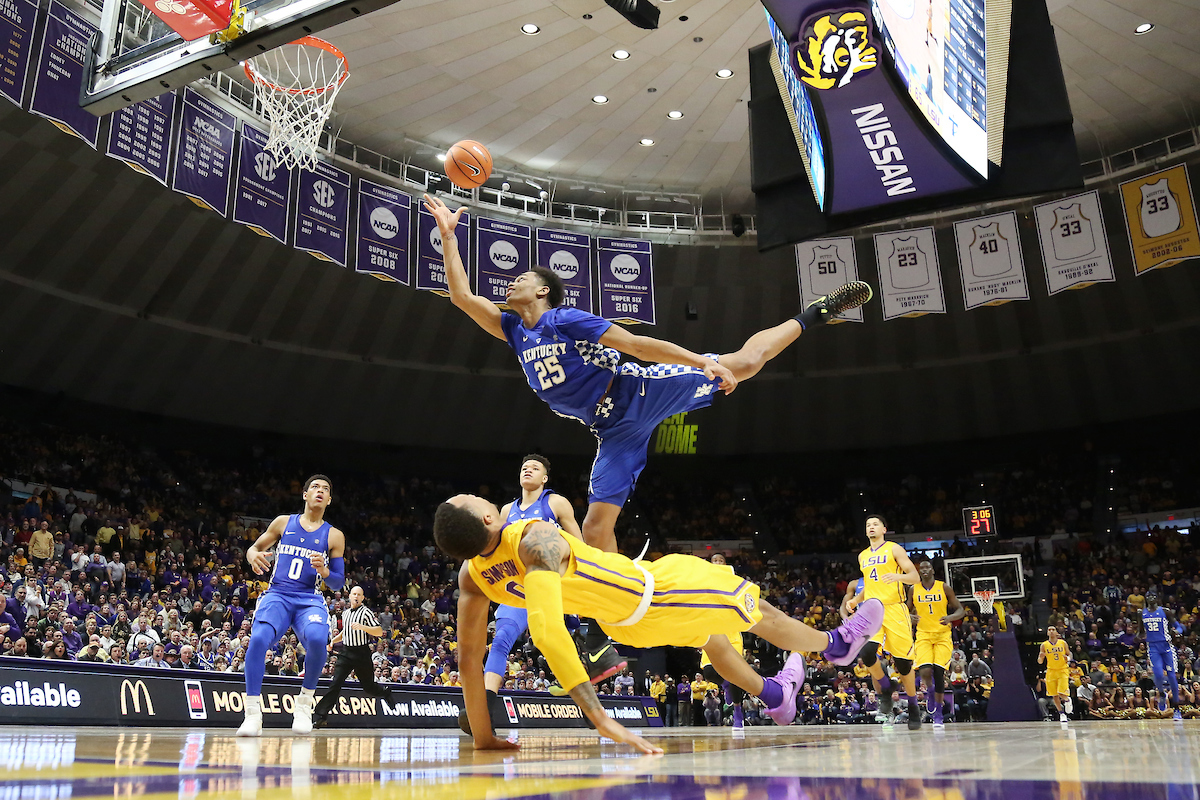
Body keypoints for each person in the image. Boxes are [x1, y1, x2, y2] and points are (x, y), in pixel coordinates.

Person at [423, 193, 872, 666]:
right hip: (611, 428)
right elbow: (461, 297)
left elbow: (636, 344)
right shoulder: (515, 332)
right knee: (596, 529)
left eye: (523, 279)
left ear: (542, 293)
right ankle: (611, 610)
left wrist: (699, 361)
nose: (512, 282)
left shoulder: (563, 319)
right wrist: (449, 237)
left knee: (742, 363)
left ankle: (813, 314)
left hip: (636, 391)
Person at [433, 494, 884, 753]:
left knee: (714, 639)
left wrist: (484, 737)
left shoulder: (473, 577)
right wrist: (599, 718)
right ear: (488, 516)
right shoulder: (533, 537)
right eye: (473, 499)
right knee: (755, 609)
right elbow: (548, 631)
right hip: (656, 595)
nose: (480, 496)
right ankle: (836, 643)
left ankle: (775, 696)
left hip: (626, 624)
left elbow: (469, 660)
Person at [483, 455, 608, 692]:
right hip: (519, 588)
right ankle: (487, 700)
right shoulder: (507, 510)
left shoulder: (556, 503)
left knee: (558, 647)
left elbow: (579, 546)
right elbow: (498, 552)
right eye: (524, 467)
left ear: (545, 478)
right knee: (500, 640)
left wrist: (583, 583)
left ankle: (588, 688)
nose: (528, 470)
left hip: (550, 585)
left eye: (534, 468)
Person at [237, 475, 345, 737]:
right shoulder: (283, 522)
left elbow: (338, 582)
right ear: (305, 494)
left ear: (329, 500)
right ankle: (252, 714)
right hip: (279, 594)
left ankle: (304, 705)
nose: (320, 491)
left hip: (309, 598)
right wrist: (253, 556)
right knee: (258, 639)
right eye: (315, 487)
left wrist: (325, 571)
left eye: (325, 489)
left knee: (318, 639)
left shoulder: (334, 535)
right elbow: (253, 548)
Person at [843, 514, 921, 729]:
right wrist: (856, 600)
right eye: (868, 524)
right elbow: (869, 585)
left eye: (875, 524)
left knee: (903, 663)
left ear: (884, 529)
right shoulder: (863, 556)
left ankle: (913, 706)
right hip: (872, 610)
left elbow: (915, 577)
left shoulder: (894, 549)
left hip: (895, 609)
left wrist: (899, 577)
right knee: (866, 652)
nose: (871, 527)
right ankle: (886, 689)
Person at [312, 585, 398, 727]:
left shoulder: (366, 612)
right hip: (346, 653)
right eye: (354, 594)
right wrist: (333, 641)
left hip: (361, 653)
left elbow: (378, 631)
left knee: (368, 687)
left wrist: (363, 627)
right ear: (350, 596)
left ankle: (385, 692)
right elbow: (345, 632)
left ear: (362, 598)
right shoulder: (345, 613)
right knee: (335, 683)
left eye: (359, 594)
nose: (356, 596)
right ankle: (321, 715)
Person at [907, 559, 965, 730]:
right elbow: (904, 610)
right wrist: (909, 617)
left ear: (933, 570)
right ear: (919, 572)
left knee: (939, 673)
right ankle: (930, 691)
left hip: (942, 635)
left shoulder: (944, 587)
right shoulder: (913, 589)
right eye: (921, 568)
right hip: (923, 634)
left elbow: (960, 610)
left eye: (927, 567)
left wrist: (950, 618)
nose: (924, 570)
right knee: (925, 671)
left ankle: (938, 714)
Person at [701, 553, 750, 730]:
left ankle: (737, 713)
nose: (718, 562)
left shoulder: (732, 581)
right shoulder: (703, 582)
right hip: (712, 630)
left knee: (734, 673)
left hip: (731, 631)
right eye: (714, 560)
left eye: (721, 560)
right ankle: (725, 684)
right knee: (708, 671)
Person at [1135, 589, 1183, 721]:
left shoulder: (1165, 611)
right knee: (1158, 674)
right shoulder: (1141, 613)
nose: (1151, 598)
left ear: (1157, 598)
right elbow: (1140, 631)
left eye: (1153, 596)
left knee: (1172, 677)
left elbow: (1179, 627)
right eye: (1148, 596)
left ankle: (1176, 708)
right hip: (1153, 647)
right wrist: (1137, 637)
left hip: (1167, 647)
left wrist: (1177, 632)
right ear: (1146, 598)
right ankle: (1161, 694)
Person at [1038, 625, 1072, 724]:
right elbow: (1040, 662)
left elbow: (1069, 654)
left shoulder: (1063, 643)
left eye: (1053, 630)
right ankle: (1062, 714)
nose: (1051, 631)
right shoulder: (1044, 645)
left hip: (1062, 670)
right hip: (1051, 671)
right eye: (1049, 630)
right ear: (1047, 633)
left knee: (1061, 692)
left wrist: (1068, 658)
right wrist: (1041, 657)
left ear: (1057, 633)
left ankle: (1067, 700)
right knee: (1054, 695)